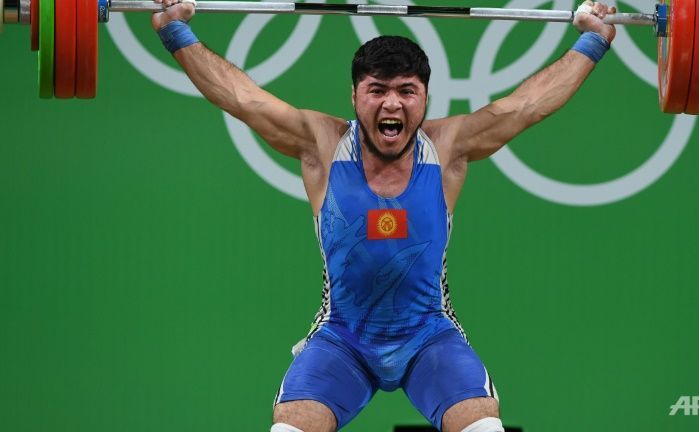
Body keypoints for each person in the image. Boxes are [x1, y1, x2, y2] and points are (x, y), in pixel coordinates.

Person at [150, 1, 617, 431]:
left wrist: (593, 38)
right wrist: (175, 32)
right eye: (377, 91)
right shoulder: (323, 144)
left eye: (406, 92)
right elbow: (241, 97)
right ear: (354, 97)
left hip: (429, 336)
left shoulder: (447, 148)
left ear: (426, 99)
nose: (392, 104)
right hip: (342, 340)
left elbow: (527, 106)